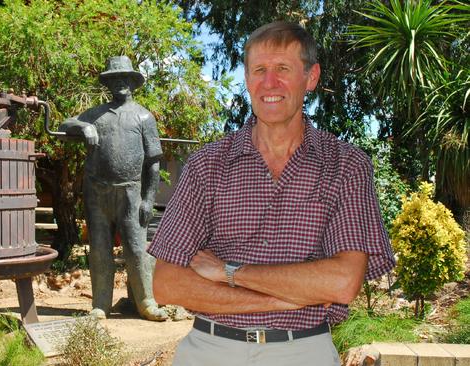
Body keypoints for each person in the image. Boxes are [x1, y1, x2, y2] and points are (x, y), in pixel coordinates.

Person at [147, 21, 395, 365]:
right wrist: (294, 297)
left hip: (305, 351)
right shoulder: (207, 166)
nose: (269, 83)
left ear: (311, 77)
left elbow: (341, 283)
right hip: (211, 351)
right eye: (259, 70)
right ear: (247, 80)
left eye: (283, 69)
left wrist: (229, 272)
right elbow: (168, 284)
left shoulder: (346, 166)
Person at [59, 56, 168, 321]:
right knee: (99, 247)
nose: (119, 84)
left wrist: (148, 200)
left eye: (123, 79)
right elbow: (65, 124)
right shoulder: (96, 115)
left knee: (136, 248)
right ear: (108, 84)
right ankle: (100, 305)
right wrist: (83, 126)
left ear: (132, 83)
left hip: (131, 193)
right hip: (97, 192)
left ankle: (146, 302)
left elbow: (153, 163)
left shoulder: (144, 116)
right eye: (113, 80)